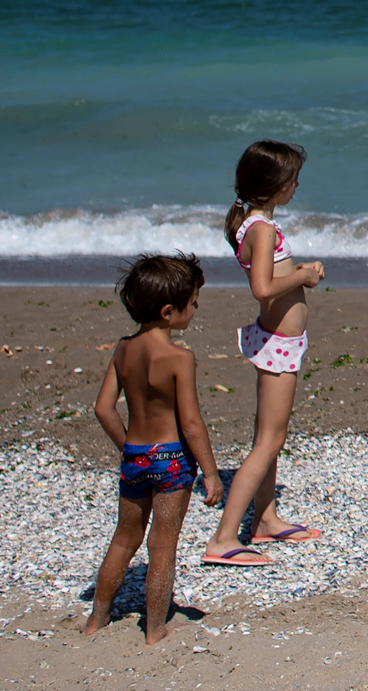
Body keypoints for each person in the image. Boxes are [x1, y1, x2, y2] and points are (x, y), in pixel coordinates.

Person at [85, 254, 224, 643]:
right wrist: (211, 473)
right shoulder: (180, 357)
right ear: (168, 311)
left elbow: (102, 407)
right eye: (193, 302)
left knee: (124, 538)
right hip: (170, 460)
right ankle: (156, 628)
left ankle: (96, 619)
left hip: (136, 455)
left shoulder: (124, 350)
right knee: (162, 545)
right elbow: (192, 423)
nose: (195, 310)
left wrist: (127, 446)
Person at [203, 140, 326, 566]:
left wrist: (298, 272)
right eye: (292, 179)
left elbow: (269, 273)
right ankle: (223, 539)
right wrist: (305, 277)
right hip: (278, 345)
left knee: (268, 439)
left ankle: (266, 518)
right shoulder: (263, 229)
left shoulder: (252, 224)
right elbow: (263, 287)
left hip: (274, 338)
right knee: (269, 441)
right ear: (274, 186)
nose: (296, 186)